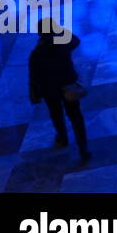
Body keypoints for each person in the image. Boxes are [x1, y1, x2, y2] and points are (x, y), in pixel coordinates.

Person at [29, 20, 90, 163]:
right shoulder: (63, 44)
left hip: (49, 90)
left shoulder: (37, 53)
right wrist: (61, 31)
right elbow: (76, 40)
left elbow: (34, 76)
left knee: (56, 114)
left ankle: (62, 138)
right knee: (76, 118)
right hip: (68, 87)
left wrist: (35, 94)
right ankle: (83, 150)